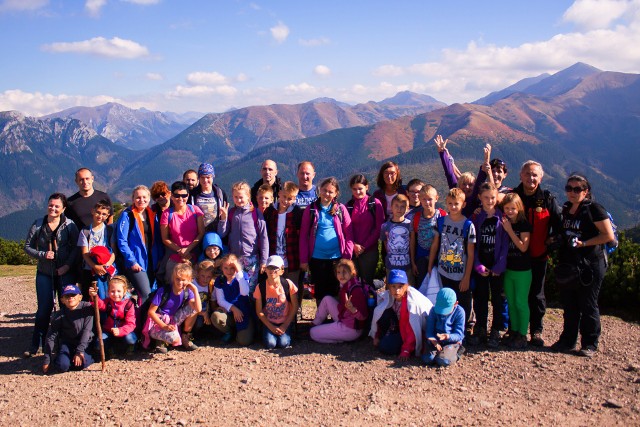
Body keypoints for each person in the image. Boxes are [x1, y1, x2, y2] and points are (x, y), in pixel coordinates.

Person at [551, 174, 614, 358]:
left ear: (586, 191)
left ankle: (590, 343)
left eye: (577, 189)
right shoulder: (567, 208)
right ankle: (567, 340)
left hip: (591, 265)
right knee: (569, 304)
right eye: (569, 188)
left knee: (588, 303)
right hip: (570, 264)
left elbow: (608, 236)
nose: (572, 192)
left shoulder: (594, 209)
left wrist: (584, 243)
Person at [512, 160, 562, 346]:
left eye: (535, 175)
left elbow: (559, 225)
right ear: (520, 175)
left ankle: (536, 330)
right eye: (527, 174)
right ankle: (515, 329)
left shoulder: (548, 199)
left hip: (538, 256)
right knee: (514, 294)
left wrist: (551, 243)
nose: (531, 178)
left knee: (536, 294)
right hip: (515, 256)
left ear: (541, 177)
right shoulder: (513, 197)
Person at [23, 193, 79, 357]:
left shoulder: (70, 225)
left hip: (65, 273)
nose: (53, 208)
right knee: (44, 309)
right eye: (51, 205)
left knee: (67, 307)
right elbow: (27, 246)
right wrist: (42, 255)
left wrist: (67, 266)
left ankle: (66, 342)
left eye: (57, 206)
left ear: (63, 209)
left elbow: (77, 247)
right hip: (44, 273)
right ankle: (37, 345)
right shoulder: (38, 224)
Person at [427, 188, 476, 334]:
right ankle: (446, 327)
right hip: (443, 271)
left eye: (456, 203)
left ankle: (464, 328)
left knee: (463, 301)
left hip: (460, 273)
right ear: (446, 203)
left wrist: (467, 277)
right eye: (450, 203)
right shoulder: (441, 222)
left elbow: (471, 253)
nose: (453, 207)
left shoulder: (468, 225)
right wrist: (430, 265)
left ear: (463, 204)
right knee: (445, 300)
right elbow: (435, 244)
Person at [299, 177, 354, 305]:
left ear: (336, 194)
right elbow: (303, 235)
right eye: (324, 190)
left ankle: (336, 319)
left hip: (337, 257)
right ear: (319, 190)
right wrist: (303, 259)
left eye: (330, 192)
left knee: (336, 289)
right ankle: (322, 319)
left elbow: (349, 234)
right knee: (320, 290)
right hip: (317, 258)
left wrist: (346, 256)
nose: (326, 194)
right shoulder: (311, 209)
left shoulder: (341, 209)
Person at [469, 182, 509, 348]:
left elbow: (506, 244)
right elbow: (473, 243)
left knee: (498, 300)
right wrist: (477, 264)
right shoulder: (477, 218)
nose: (490, 200)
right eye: (486, 197)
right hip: (482, 266)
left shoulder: (502, 217)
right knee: (481, 298)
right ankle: (480, 328)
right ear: (480, 198)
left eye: (492, 197)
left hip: (497, 267)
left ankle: (496, 330)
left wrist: (500, 266)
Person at [217, 181, 268, 292]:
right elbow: (222, 233)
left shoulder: (256, 213)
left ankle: (250, 308)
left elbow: (264, 238)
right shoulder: (231, 213)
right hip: (234, 258)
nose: (238, 200)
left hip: (251, 257)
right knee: (236, 287)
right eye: (235, 197)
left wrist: (264, 260)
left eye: (241, 197)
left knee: (251, 288)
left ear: (248, 196)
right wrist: (223, 218)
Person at [370, 269, 432, 360]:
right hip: (399, 325)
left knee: (386, 347)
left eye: (400, 287)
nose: (397, 290)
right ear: (389, 286)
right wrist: (376, 335)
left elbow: (413, 328)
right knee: (383, 311)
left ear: (406, 286)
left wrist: (406, 350)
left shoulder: (411, 304)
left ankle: (404, 345)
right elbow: (378, 316)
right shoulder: (388, 296)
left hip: (412, 330)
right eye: (393, 286)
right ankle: (386, 336)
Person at [117, 185, 163, 304]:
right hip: (136, 262)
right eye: (138, 197)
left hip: (151, 261)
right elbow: (122, 241)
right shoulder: (127, 215)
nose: (141, 200)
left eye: (144, 197)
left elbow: (157, 239)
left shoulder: (152, 215)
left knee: (150, 294)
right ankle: (140, 321)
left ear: (149, 198)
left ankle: (142, 320)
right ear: (133, 199)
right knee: (145, 293)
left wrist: (159, 258)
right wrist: (132, 261)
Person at [144, 262, 202, 353]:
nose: (180, 282)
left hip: (172, 320)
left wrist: (195, 290)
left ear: (189, 280)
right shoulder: (163, 291)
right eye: (177, 279)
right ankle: (160, 341)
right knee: (174, 339)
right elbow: (151, 312)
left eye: (183, 280)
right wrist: (164, 326)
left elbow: (198, 309)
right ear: (173, 278)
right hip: (158, 322)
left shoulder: (187, 292)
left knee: (192, 309)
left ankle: (185, 336)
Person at [310, 259, 368, 344]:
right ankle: (315, 323)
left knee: (313, 333)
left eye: (345, 272)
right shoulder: (346, 285)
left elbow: (363, 316)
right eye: (339, 272)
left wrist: (352, 309)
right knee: (327, 299)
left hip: (351, 329)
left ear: (352, 273)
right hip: (345, 318)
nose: (341, 275)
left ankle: (340, 339)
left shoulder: (356, 289)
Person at [501, 193, 532, 349]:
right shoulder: (505, 221)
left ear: (519, 208)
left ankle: (522, 334)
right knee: (511, 302)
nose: (510, 211)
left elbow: (523, 247)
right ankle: (513, 331)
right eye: (507, 208)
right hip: (508, 269)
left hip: (522, 270)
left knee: (521, 302)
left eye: (513, 208)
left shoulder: (524, 224)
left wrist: (509, 230)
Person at [262, 181, 304, 298]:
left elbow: (301, 236)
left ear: (294, 198)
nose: (286, 201)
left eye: (290, 198)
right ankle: (278, 314)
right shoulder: (270, 212)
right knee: (275, 289)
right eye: (284, 196)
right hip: (274, 258)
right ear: (279, 193)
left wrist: (303, 258)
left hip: (292, 258)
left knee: (292, 289)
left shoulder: (296, 213)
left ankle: (294, 313)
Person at [42, 284, 94, 373]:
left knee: (80, 365)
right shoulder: (58, 316)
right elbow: (51, 337)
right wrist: (47, 359)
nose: (70, 298)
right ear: (62, 300)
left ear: (80, 297)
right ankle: (63, 359)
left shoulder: (87, 308)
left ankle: (86, 357)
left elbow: (87, 330)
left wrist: (79, 351)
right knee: (62, 366)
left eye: (73, 295)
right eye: (67, 296)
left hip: (85, 343)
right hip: (67, 343)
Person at [160, 181, 205, 283]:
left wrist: (188, 249)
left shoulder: (195, 211)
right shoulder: (167, 214)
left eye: (184, 195)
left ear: (188, 195)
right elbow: (165, 238)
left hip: (193, 256)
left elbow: (201, 232)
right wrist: (181, 251)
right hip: (174, 257)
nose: (180, 199)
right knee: (174, 288)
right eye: (177, 195)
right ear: (171, 196)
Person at [254, 255, 299, 349]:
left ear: (282, 270)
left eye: (276, 268)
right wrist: (271, 327)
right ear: (265, 269)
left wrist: (285, 325)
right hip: (269, 322)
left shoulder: (288, 284)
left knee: (284, 343)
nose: (272, 271)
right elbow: (259, 311)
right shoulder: (260, 287)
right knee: (270, 344)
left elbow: (295, 306)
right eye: (270, 267)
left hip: (285, 321)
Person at [347, 174, 384, 285]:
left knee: (367, 282)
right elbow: (346, 229)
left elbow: (379, 228)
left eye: (360, 189)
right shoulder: (348, 206)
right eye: (354, 189)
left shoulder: (375, 204)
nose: (357, 192)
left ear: (367, 187)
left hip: (370, 251)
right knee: (352, 282)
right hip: (353, 251)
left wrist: (363, 247)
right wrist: (353, 245)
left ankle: (368, 302)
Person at [211, 254, 254, 346]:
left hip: (243, 312)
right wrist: (233, 308)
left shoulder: (242, 276)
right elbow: (220, 300)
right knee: (216, 317)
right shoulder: (220, 280)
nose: (229, 271)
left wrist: (239, 272)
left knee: (244, 341)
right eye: (226, 268)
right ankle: (230, 331)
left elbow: (245, 292)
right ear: (222, 268)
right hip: (230, 311)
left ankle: (240, 332)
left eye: (232, 268)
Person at [88, 275, 137, 357]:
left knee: (130, 339)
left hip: (124, 331)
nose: (115, 294)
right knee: (99, 342)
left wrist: (120, 331)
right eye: (112, 291)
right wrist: (94, 296)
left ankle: (130, 347)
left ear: (124, 292)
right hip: (109, 330)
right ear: (108, 291)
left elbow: (131, 324)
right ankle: (110, 349)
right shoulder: (108, 302)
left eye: (119, 291)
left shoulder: (129, 305)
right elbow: (99, 305)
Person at [410, 185, 446, 288]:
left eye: (430, 199)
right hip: (421, 258)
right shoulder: (416, 217)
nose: (427, 202)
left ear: (436, 198)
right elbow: (412, 240)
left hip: (439, 258)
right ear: (420, 199)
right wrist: (413, 262)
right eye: (424, 199)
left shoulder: (442, 216)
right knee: (422, 287)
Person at [422, 287, 465, 367]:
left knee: (443, 361)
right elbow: (429, 331)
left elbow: (459, 335)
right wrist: (434, 342)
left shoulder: (460, 312)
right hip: (436, 341)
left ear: (456, 304)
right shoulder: (434, 310)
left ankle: (457, 352)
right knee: (427, 359)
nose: (443, 313)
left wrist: (447, 336)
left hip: (452, 341)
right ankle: (439, 353)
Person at [380, 194, 412, 282]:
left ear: (407, 208)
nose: (399, 209)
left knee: (408, 288)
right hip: (391, 265)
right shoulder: (385, 226)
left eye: (402, 206)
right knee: (391, 288)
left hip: (407, 265)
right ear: (391, 207)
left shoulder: (410, 225)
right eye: (396, 206)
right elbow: (385, 242)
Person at [191, 163, 228, 233]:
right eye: (202, 177)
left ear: (213, 177)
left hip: (215, 233)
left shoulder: (220, 193)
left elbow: (224, 215)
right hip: (196, 233)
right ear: (198, 178)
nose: (205, 180)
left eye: (208, 177)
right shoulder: (193, 194)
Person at [191, 259, 217, 339]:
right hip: (192, 311)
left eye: (208, 277)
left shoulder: (211, 286)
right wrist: (202, 313)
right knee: (198, 322)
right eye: (202, 276)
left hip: (206, 310)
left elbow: (212, 301)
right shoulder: (193, 284)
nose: (205, 279)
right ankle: (191, 334)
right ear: (198, 274)